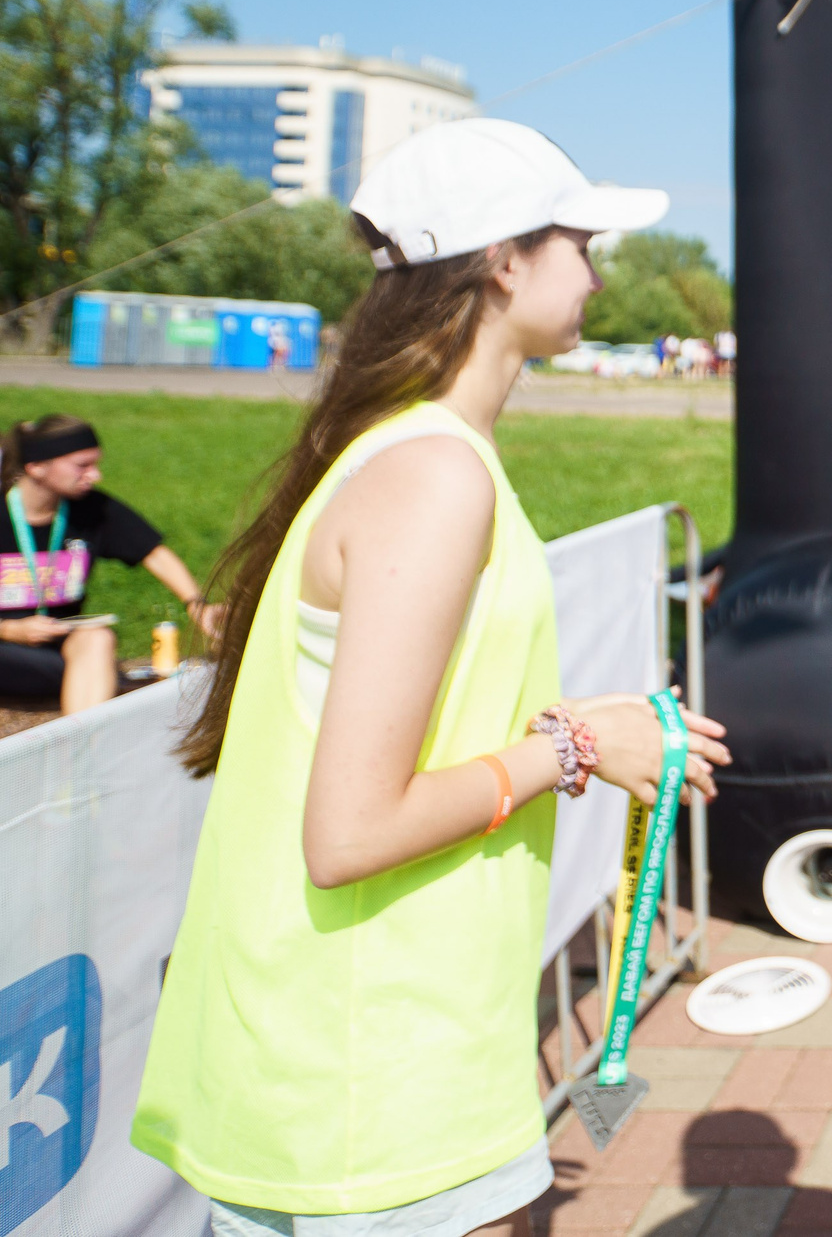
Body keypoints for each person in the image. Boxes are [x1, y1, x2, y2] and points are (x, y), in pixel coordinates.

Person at [134, 118, 731, 1237]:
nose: (599, 274)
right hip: (371, 1084)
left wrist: (573, 725)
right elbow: (351, 829)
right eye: (580, 243)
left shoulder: (407, 453)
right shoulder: (432, 475)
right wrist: (577, 751)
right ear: (504, 260)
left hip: (361, 1068)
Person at [0, 413, 224, 714]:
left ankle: (80, 753)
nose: (95, 476)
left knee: (97, 638)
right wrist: (9, 631)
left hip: (53, 652)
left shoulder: (92, 509)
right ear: (36, 467)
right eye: (82, 465)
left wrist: (198, 605)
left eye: (95, 464)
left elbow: (154, 553)